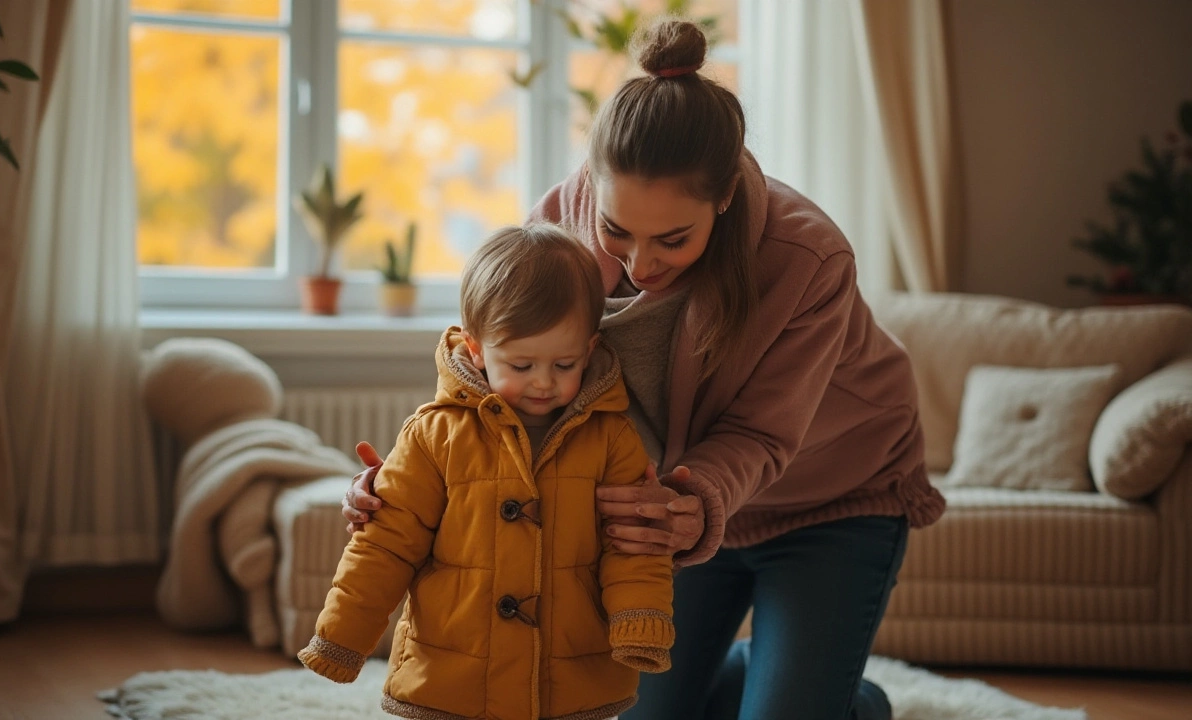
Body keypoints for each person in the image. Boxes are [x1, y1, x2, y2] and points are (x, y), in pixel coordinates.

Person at [343, 17, 946, 720]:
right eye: (617, 231)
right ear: (591, 187)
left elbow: (759, 434)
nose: (641, 265)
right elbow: (502, 366)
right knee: (630, 703)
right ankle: (758, 676)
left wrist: (696, 508)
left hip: (830, 498)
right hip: (667, 502)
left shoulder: (808, 258)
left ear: (722, 198)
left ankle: (839, 697)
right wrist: (410, 478)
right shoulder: (561, 224)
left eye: (672, 239)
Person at [299, 224, 676, 720]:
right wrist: (341, 635)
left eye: (564, 364)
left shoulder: (612, 440)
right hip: (452, 671)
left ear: (589, 350)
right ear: (476, 350)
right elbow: (386, 543)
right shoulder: (436, 436)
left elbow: (632, 544)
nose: (544, 383)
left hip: (569, 674)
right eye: (520, 366)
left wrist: (639, 621)